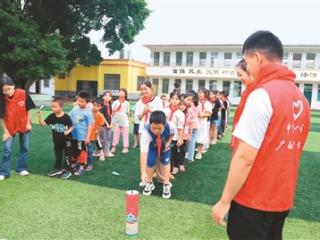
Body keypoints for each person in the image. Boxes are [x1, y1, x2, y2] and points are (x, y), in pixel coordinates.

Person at [212, 30, 311, 240]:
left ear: (257, 58)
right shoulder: (301, 99)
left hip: (252, 200)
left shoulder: (262, 95)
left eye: (247, 62)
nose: (246, 68)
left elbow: (245, 157)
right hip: (281, 199)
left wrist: (224, 200)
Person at [0, 73, 36, 181]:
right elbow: (1, 117)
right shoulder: (1, 98)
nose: (7, 92)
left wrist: (28, 123)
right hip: (9, 127)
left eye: (9, 89)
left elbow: (28, 109)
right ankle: (4, 172)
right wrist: (5, 132)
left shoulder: (23, 93)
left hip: (23, 124)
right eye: (4, 90)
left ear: (14, 86)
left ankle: (21, 168)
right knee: (7, 149)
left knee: (25, 147)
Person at [37, 97, 74, 178]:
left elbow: (72, 126)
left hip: (67, 140)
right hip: (57, 140)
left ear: (61, 107)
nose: (53, 108)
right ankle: (58, 168)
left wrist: (68, 131)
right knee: (58, 155)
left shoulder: (66, 117)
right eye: (52, 106)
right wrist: (39, 117)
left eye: (55, 107)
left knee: (67, 155)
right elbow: (42, 124)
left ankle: (68, 170)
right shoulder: (51, 116)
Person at [141, 111, 174, 199]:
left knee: (166, 161)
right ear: (150, 124)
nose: (156, 131)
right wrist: (143, 172)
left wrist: (168, 142)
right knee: (150, 161)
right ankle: (149, 182)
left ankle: (166, 184)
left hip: (164, 144)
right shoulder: (146, 132)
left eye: (159, 128)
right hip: (152, 146)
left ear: (164, 124)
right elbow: (143, 153)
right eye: (154, 128)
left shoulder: (170, 126)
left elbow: (172, 134)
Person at [136, 79, 163, 186]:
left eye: (145, 89)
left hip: (156, 131)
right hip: (143, 130)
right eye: (141, 89)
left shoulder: (157, 100)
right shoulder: (139, 102)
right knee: (144, 155)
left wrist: (151, 111)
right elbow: (139, 118)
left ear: (151, 89)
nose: (143, 91)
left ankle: (161, 176)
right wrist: (144, 111)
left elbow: (161, 115)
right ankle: (145, 177)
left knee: (157, 154)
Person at [70, 91, 94, 176]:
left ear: (87, 103)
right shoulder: (74, 108)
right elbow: (70, 118)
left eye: (82, 101)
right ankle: (74, 163)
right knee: (73, 151)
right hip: (73, 135)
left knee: (82, 151)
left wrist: (87, 137)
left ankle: (81, 167)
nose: (79, 102)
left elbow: (90, 125)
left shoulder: (88, 112)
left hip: (82, 137)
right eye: (78, 100)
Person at [164, 90, 185, 174]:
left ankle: (173, 167)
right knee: (164, 152)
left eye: (177, 99)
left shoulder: (180, 114)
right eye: (173, 98)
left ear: (179, 100)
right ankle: (164, 168)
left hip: (174, 137)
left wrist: (180, 138)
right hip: (165, 135)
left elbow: (180, 127)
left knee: (173, 153)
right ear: (169, 99)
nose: (174, 100)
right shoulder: (165, 110)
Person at [86, 99, 106, 171]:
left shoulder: (100, 116)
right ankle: (83, 162)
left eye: (97, 106)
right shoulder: (88, 113)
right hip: (85, 134)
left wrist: (97, 133)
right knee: (85, 149)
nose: (95, 107)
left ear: (100, 107)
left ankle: (90, 164)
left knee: (90, 150)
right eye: (94, 105)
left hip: (93, 135)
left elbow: (100, 126)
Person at [111, 88, 130, 154]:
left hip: (124, 120)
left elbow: (127, 113)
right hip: (116, 120)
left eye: (123, 92)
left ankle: (125, 147)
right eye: (120, 92)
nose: (121, 93)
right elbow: (112, 112)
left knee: (125, 134)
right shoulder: (115, 102)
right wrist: (111, 120)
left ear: (125, 94)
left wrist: (128, 120)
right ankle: (113, 146)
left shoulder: (127, 103)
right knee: (116, 134)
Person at [195, 88, 212, 160]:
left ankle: (199, 152)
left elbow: (209, 113)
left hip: (203, 122)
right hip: (195, 121)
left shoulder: (208, 103)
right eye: (199, 93)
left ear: (205, 94)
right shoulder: (196, 102)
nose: (200, 94)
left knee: (202, 135)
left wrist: (201, 115)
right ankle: (191, 151)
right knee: (194, 135)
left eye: (202, 93)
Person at [184, 90, 199, 162]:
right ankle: (190, 157)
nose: (189, 101)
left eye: (190, 99)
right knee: (191, 142)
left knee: (190, 142)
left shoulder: (190, 106)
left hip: (191, 125)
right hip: (194, 125)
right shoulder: (196, 104)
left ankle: (189, 156)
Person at [99, 91, 114, 158]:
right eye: (106, 95)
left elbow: (111, 115)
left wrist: (111, 123)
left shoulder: (110, 105)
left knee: (108, 138)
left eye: (109, 96)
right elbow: (102, 116)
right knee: (103, 138)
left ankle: (107, 151)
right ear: (103, 97)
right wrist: (107, 124)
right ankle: (101, 151)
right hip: (103, 125)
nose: (108, 97)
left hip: (109, 124)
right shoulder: (102, 106)